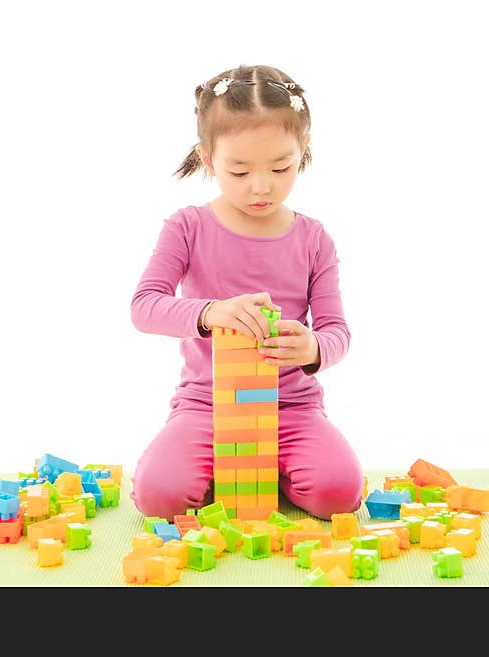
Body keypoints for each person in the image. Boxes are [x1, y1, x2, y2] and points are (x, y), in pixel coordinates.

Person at [129, 64, 362, 521]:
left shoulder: (313, 238)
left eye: (281, 167)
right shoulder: (187, 228)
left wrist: (313, 346)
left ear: (303, 151)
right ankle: (228, 465)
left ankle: (269, 468)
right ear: (208, 157)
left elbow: (336, 331)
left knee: (339, 495)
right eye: (238, 171)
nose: (261, 186)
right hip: (207, 405)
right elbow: (144, 307)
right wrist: (210, 312)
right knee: (160, 498)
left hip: (291, 407)